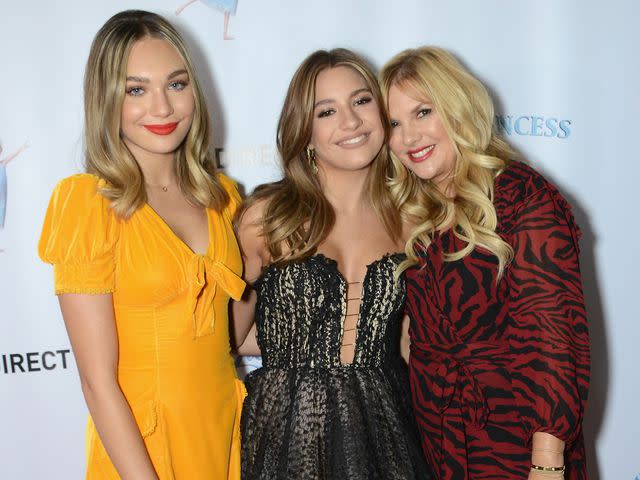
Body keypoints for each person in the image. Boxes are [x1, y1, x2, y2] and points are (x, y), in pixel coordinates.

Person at [38, 10, 246, 479]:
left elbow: (225, 333)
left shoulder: (222, 199)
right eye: (136, 90)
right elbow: (97, 382)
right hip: (143, 452)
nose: (163, 108)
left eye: (176, 84)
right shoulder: (89, 206)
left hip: (222, 433)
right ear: (107, 99)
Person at [380, 46, 590, 480]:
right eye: (394, 124)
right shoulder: (420, 214)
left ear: (457, 108)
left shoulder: (521, 196)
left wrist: (546, 465)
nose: (408, 138)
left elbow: (553, 342)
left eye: (423, 112)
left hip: (515, 442)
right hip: (438, 440)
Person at [232, 48, 431, 479]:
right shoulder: (268, 217)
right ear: (304, 131)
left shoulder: (414, 220)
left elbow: (410, 345)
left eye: (361, 101)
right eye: (327, 111)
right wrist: (300, 346)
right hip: (285, 437)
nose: (351, 122)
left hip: (387, 433)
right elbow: (231, 336)